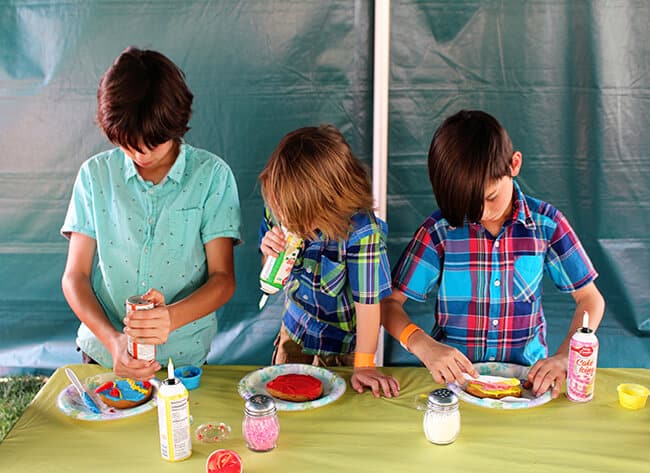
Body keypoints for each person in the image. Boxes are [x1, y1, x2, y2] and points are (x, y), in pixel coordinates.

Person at [381, 110, 605, 399]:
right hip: (456, 384)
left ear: (514, 164)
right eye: (468, 205)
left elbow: (590, 299)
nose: (482, 214)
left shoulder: (547, 225)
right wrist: (422, 344)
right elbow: (388, 305)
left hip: (527, 384)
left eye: (489, 197)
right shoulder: (440, 230)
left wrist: (564, 357)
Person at [61, 47, 241, 381]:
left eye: (152, 145)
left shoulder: (212, 176)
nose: (140, 155)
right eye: (128, 145)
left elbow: (223, 279)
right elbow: (75, 277)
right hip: (104, 353)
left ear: (177, 123)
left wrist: (170, 318)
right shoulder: (94, 176)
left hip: (181, 357)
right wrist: (113, 341)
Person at [258, 124, 400, 398]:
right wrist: (269, 253)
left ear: (330, 205)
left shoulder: (361, 233)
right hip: (295, 332)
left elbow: (369, 304)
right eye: (282, 213)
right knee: (285, 402)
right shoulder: (280, 205)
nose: (288, 223)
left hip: (340, 349)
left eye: (299, 218)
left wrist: (364, 364)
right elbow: (272, 275)